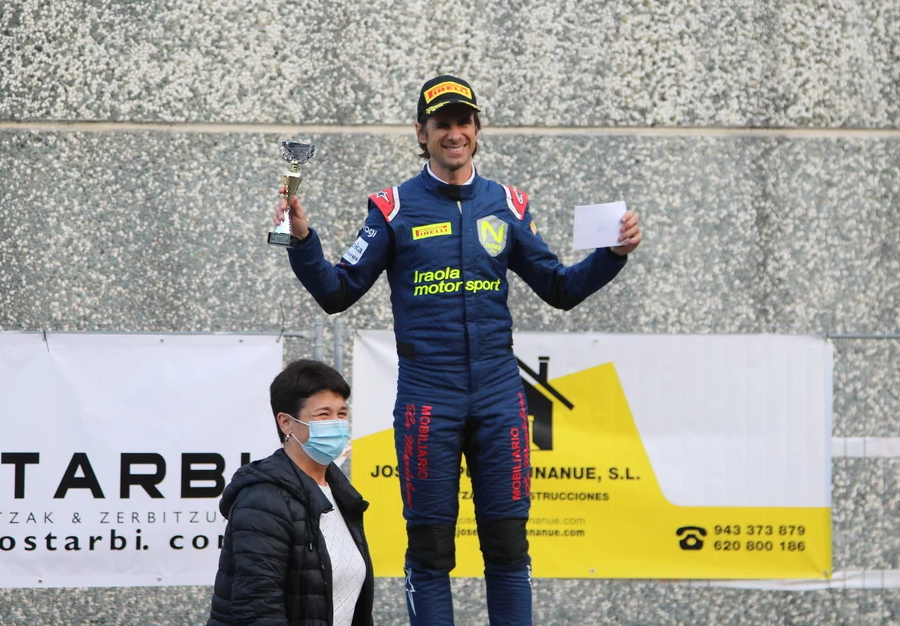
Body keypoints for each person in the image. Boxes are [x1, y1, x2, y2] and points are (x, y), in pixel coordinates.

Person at [274, 75, 641, 626]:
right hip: (429, 398)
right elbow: (337, 291)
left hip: (499, 397)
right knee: (429, 555)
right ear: (421, 133)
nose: (454, 133)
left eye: (463, 122)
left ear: (476, 130)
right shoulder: (393, 207)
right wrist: (303, 241)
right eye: (441, 123)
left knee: (509, 551)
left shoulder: (506, 203)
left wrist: (612, 255)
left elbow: (560, 288)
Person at [205, 359, 374, 626]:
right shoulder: (264, 499)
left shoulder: (340, 493)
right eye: (323, 415)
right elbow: (258, 609)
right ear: (286, 423)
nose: (336, 424)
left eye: (341, 414)